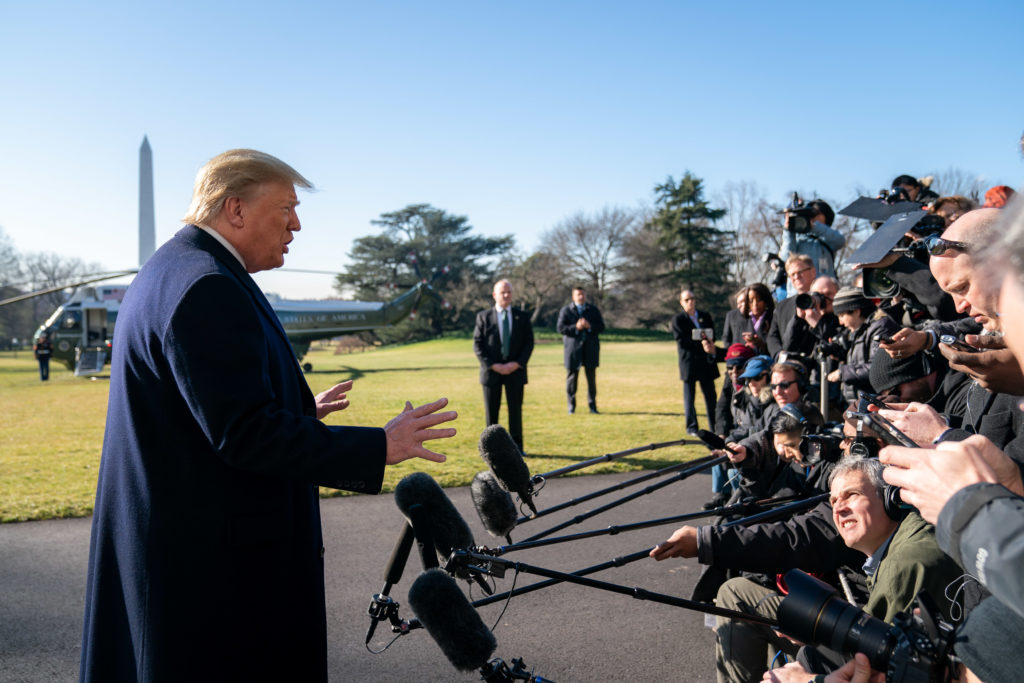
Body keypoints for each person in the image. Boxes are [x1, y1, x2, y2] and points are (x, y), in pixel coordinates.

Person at [79, 149, 459, 682]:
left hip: (181, 553)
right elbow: (244, 434)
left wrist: (297, 410)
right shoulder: (207, 285)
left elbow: (206, 409)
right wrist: (380, 446)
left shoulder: (174, 270)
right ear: (235, 209)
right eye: (286, 207)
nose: (296, 224)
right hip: (217, 580)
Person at [474, 279, 534, 452]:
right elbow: (478, 345)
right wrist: (493, 365)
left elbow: (528, 343)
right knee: (491, 414)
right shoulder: (483, 317)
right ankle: (491, 450)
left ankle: (517, 447)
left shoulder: (522, 317)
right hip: (491, 373)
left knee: (515, 412)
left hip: (515, 372)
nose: (506, 295)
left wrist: (517, 364)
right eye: (502, 292)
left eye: (509, 292)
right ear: (494, 295)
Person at [671, 289, 719, 436]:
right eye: (686, 300)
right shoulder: (678, 320)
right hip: (689, 364)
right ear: (681, 303)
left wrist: (702, 341)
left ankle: (715, 426)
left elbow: (712, 336)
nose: (690, 302)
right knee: (689, 398)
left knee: (711, 397)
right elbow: (682, 341)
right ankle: (692, 427)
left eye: (692, 298)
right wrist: (701, 341)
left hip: (706, 363)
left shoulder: (705, 316)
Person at [556, 286, 605, 414]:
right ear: (573, 297)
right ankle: (571, 407)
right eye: (578, 294)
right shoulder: (566, 311)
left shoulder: (593, 310)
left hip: (591, 349)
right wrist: (576, 327)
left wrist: (590, 327)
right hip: (573, 350)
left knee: (591, 380)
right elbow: (560, 328)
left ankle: (592, 406)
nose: (581, 297)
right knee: (572, 380)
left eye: (583, 294)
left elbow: (601, 327)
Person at [778, 199, 846, 279]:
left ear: (826, 216)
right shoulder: (797, 238)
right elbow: (786, 257)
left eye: (816, 213)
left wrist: (814, 227)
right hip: (799, 289)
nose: (812, 217)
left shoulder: (828, 237)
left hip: (823, 287)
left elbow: (840, 241)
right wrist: (788, 230)